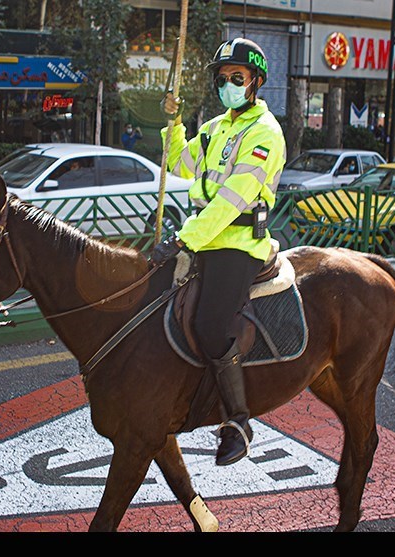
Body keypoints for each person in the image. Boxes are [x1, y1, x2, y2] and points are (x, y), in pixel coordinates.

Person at [151, 37, 286, 466]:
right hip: (201, 235)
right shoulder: (213, 128)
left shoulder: (264, 133)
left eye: (237, 78)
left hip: (238, 243)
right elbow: (179, 164)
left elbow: (232, 200)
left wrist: (184, 239)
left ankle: (238, 421)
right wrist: (172, 125)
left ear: (255, 83)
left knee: (209, 325)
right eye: (222, 78)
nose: (228, 84)